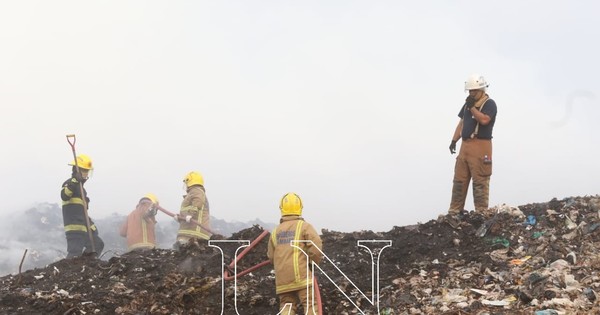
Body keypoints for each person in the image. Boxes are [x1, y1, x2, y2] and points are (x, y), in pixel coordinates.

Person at [448, 74, 498, 217]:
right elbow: (462, 123)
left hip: (481, 147)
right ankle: (454, 212)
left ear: (481, 90)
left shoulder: (489, 104)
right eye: (469, 91)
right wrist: (454, 140)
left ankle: (481, 213)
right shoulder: (467, 104)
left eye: (474, 91)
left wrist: (473, 108)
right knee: (459, 180)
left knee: (480, 181)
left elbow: (484, 120)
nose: (471, 93)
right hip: (465, 147)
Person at [267, 192, 323, 315]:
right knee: (310, 305)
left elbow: (271, 257)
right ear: (300, 208)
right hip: (301, 276)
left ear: (281, 209)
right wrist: (312, 263)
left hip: (282, 280)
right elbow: (316, 247)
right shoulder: (304, 227)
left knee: (287, 306)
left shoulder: (275, 231)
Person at [60, 154, 104, 258]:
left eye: (88, 171)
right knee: (75, 254)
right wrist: (74, 180)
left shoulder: (82, 190)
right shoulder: (69, 183)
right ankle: (70, 271)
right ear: (77, 170)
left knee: (98, 244)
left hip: (84, 228)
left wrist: (91, 225)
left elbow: (82, 212)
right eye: (85, 170)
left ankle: (85, 264)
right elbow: (64, 195)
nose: (86, 173)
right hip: (74, 229)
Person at [174, 171, 211, 245]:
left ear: (189, 181)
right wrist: (179, 217)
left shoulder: (197, 191)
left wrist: (190, 214)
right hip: (188, 234)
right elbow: (187, 213)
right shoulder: (191, 194)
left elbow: (198, 202)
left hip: (194, 235)